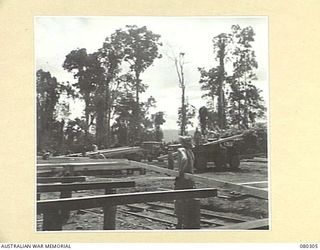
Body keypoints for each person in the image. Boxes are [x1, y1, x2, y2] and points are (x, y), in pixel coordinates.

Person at [174, 136, 199, 229]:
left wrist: (180, 172)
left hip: (182, 179)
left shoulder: (181, 150)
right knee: (188, 200)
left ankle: (179, 223)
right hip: (190, 179)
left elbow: (184, 159)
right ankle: (187, 223)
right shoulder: (191, 152)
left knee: (179, 200)